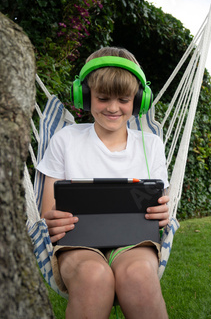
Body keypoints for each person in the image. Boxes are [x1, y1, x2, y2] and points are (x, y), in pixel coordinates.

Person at [37, 47, 170, 319]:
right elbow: (47, 212)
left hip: (135, 243)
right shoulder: (66, 139)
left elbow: (160, 209)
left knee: (139, 275)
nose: (112, 107)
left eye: (123, 99)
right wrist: (53, 221)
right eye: (102, 98)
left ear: (139, 100)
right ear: (84, 97)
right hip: (76, 243)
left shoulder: (151, 145)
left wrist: (162, 213)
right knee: (93, 275)